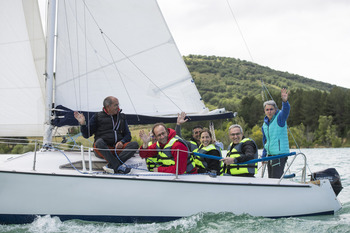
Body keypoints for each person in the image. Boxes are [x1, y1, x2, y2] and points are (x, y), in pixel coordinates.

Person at [74, 96, 139, 174]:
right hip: (103, 149)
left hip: (117, 149)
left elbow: (128, 135)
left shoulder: (122, 117)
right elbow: (86, 135)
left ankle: (112, 166)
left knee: (134, 144)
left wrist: (122, 142)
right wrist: (83, 123)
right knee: (99, 142)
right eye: (116, 105)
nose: (118, 107)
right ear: (108, 107)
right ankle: (117, 166)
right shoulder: (97, 117)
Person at [261, 88, 290, 178]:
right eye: (267, 110)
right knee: (271, 178)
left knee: (276, 178)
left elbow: (286, 110)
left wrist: (285, 101)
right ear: (265, 111)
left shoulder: (279, 118)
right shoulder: (265, 124)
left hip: (280, 154)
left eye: (271, 109)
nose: (269, 111)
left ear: (275, 109)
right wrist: (263, 156)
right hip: (270, 155)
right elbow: (266, 141)